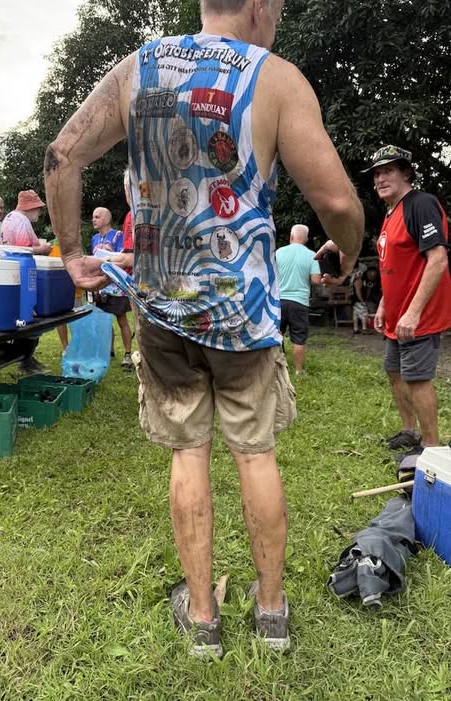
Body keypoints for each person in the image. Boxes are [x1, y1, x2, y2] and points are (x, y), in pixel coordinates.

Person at [44, 0, 364, 657]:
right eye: (277, 9)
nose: (276, 20)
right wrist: (351, 256)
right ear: (257, 6)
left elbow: (62, 154)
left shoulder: (138, 69)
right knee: (255, 453)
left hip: (164, 312)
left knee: (188, 454)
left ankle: (201, 620)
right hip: (242, 314)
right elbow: (336, 200)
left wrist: (72, 252)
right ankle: (270, 615)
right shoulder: (274, 78)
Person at [361, 145, 451, 452]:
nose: (380, 179)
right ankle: (410, 431)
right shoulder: (391, 212)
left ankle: (431, 446)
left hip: (419, 315)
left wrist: (413, 312)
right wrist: (384, 305)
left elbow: (437, 260)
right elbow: (394, 265)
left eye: (388, 171)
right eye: (376, 174)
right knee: (395, 371)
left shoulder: (421, 204)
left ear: (407, 173)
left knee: (417, 378)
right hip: (396, 315)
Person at [1, 190, 53, 374]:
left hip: (12, 276)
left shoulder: (9, 218)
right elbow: (23, 250)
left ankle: (26, 359)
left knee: (22, 318)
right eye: (38, 208)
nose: (39, 212)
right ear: (30, 207)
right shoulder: (22, 221)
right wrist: (43, 249)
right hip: (23, 275)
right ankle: (26, 361)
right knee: (31, 318)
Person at [90, 207, 133, 369]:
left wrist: (110, 254)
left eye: (97, 217)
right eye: (93, 217)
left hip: (116, 285)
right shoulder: (94, 238)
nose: (93, 220)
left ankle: (127, 354)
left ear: (107, 219)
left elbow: (124, 257)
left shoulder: (118, 235)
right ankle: (109, 351)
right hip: (101, 285)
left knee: (121, 319)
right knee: (104, 320)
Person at [276, 224, 321, 374]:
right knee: (299, 338)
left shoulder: (278, 253)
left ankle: (277, 368)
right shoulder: (312, 255)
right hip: (300, 302)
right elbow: (316, 280)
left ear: (291, 236)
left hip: (279, 301)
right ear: (306, 239)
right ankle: (298, 371)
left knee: (277, 334)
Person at [351, 264, 381, 334]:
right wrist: (362, 300)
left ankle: (356, 328)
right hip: (358, 300)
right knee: (364, 314)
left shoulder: (362, 281)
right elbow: (358, 292)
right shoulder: (358, 281)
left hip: (355, 300)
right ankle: (364, 328)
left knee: (356, 314)